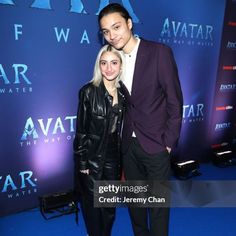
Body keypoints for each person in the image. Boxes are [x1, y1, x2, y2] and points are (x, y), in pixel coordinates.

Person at [98, 3, 183, 236]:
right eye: (106, 31)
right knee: (136, 205)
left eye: (116, 27)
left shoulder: (159, 52)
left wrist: (168, 142)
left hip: (156, 144)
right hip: (128, 145)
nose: (111, 35)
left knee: (157, 207)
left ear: (129, 23)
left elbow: (175, 100)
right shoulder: (113, 59)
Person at [73, 44, 125, 236]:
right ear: (98, 65)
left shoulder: (124, 94)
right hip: (92, 156)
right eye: (104, 63)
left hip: (113, 157)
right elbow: (81, 132)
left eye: (114, 62)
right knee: (92, 206)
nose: (108, 68)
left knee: (109, 206)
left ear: (121, 66)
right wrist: (83, 162)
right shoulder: (88, 92)